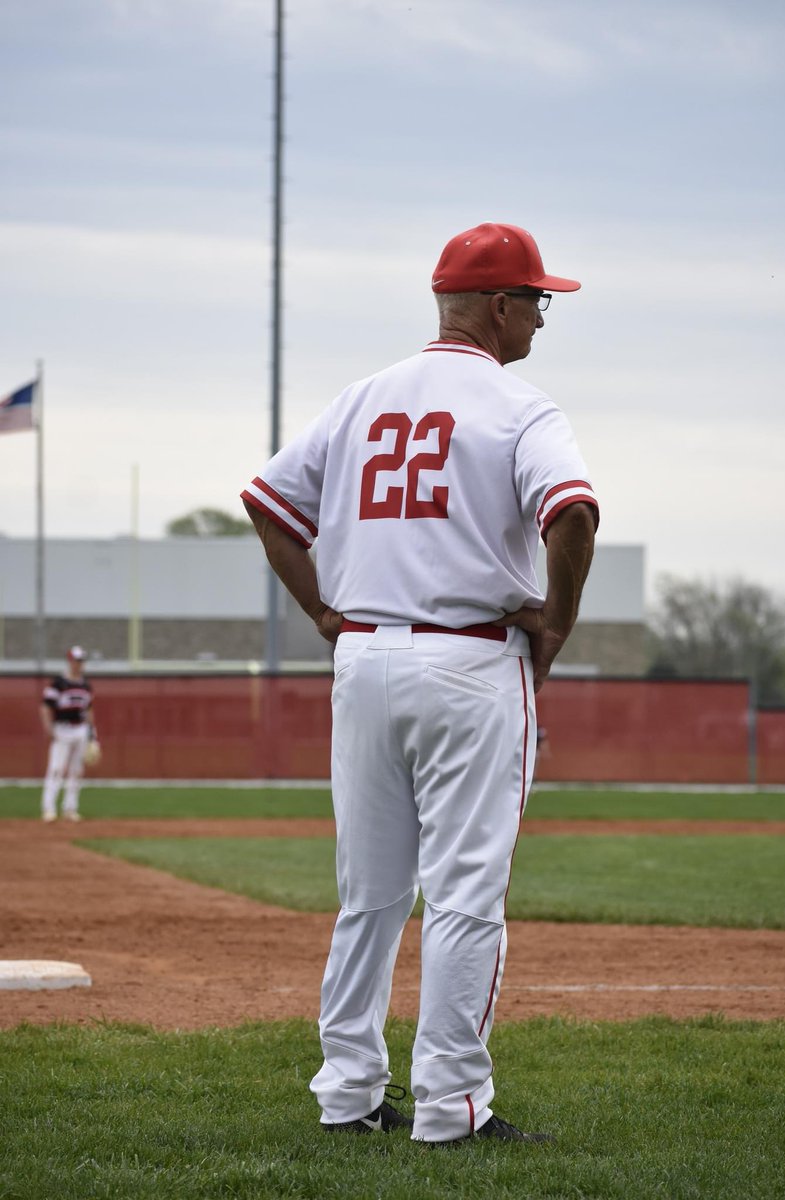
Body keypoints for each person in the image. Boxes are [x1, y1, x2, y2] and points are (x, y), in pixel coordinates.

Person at [241, 221, 598, 1144]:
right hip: (471, 661)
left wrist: (323, 613)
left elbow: (268, 506)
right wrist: (557, 624)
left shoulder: (363, 396)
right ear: (497, 306)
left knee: (370, 895)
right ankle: (451, 1108)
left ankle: (348, 1096)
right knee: (466, 893)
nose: (541, 318)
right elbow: (572, 513)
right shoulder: (521, 407)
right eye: (537, 301)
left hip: (364, 661)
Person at [40, 645, 97, 823]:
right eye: (76, 661)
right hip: (62, 729)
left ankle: (70, 809)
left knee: (76, 771)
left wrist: (92, 734)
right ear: (70, 661)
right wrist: (49, 729)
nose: (79, 664)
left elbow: (89, 710)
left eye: (81, 661)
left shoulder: (86, 684)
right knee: (56, 769)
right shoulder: (59, 683)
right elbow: (45, 707)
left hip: (80, 729)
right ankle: (49, 808)